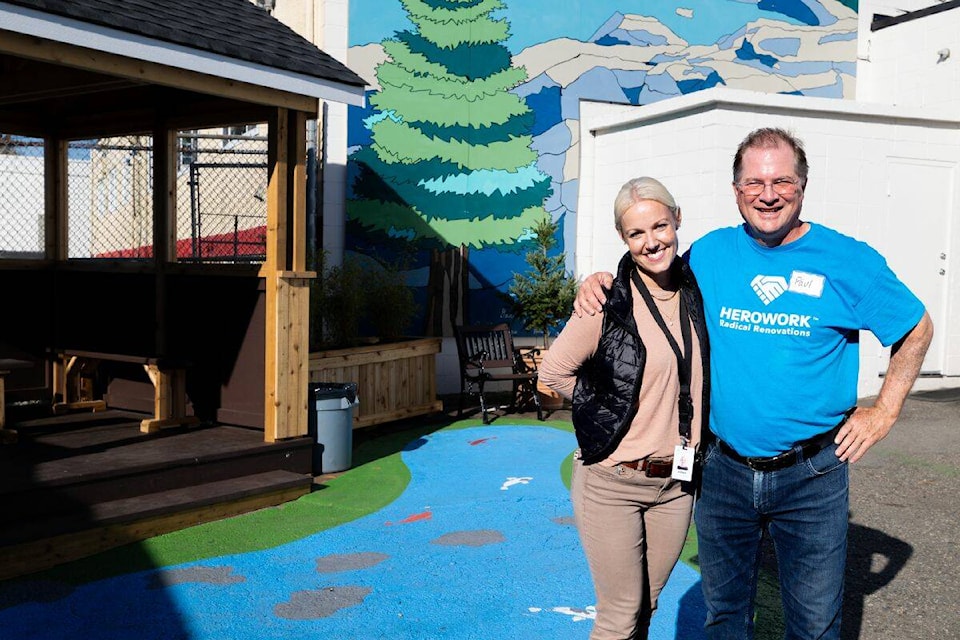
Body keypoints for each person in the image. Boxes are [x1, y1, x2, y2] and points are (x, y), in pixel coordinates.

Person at [573, 128, 933, 639]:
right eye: (754, 182)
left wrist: (885, 410)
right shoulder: (709, 254)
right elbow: (649, 275)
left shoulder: (847, 259)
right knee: (725, 618)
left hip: (812, 474)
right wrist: (597, 281)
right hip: (722, 472)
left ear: (803, 185)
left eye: (781, 180)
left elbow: (916, 328)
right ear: (736, 189)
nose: (768, 194)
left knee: (813, 624)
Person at [538, 176, 710, 639]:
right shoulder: (606, 301)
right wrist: (610, 407)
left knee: (646, 607)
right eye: (637, 233)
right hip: (613, 481)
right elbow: (551, 375)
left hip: (675, 485)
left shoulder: (699, 292)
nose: (652, 242)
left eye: (660, 226)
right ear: (623, 239)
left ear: (677, 221)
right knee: (619, 615)